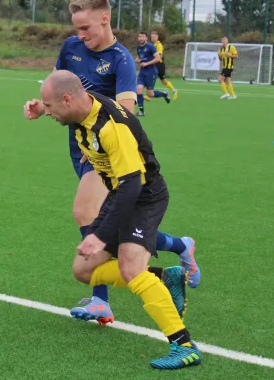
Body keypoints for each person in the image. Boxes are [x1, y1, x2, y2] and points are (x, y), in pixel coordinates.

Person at [23, 0, 200, 325]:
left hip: (106, 152)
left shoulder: (121, 61)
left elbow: (125, 115)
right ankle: (179, 245)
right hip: (80, 147)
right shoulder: (71, 48)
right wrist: (40, 105)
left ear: (104, 19)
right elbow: (55, 86)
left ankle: (100, 300)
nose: (80, 36)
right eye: (76, 28)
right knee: (108, 222)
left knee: (86, 212)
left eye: (85, 28)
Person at [40, 70, 202, 370]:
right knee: (84, 270)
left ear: (66, 99)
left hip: (143, 195)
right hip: (120, 193)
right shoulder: (82, 109)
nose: (47, 112)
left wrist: (100, 235)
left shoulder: (112, 127)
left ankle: (184, 345)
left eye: (49, 106)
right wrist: (41, 108)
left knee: (129, 267)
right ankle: (166, 277)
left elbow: (132, 185)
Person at [136, 31, 170, 117]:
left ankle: (164, 94)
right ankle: (141, 111)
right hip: (142, 72)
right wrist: (134, 61)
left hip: (151, 72)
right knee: (139, 89)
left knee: (149, 94)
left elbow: (158, 58)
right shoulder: (138, 48)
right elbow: (139, 58)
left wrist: (146, 63)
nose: (141, 38)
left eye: (143, 36)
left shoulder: (151, 47)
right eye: (140, 36)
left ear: (146, 38)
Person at [144, 31, 177, 101]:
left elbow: (160, 56)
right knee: (159, 80)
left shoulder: (159, 45)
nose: (152, 38)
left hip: (159, 65)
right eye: (152, 37)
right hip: (155, 64)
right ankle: (150, 95)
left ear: (157, 37)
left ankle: (174, 90)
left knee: (163, 81)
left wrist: (152, 59)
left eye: (154, 37)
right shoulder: (152, 45)